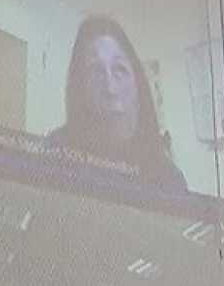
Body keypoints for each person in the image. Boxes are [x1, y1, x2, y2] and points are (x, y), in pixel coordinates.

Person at [48, 15, 187, 189]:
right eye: (96, 71)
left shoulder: (167, 175)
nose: (110, 88)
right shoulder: (56, 152)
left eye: (120, 70)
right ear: (80, 86)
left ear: (138, 83)